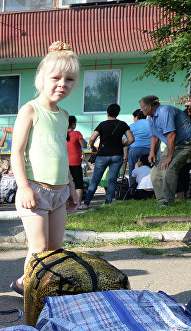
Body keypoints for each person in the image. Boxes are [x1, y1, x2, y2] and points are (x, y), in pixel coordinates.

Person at [9, 41, 79, 296]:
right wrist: (24, 187)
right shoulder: (30, 110)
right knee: (38, 248)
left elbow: (62, 155)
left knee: (55, 248)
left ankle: (27, 283)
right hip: (35, 190)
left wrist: (71, 188)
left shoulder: (63, 115)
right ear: (41, 78)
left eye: (69, 79)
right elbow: (16, 151)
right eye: (56, 77)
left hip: (59, 192)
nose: (62, 84)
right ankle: (32, 293)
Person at [140, 95, 191, 205]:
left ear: (149, 107)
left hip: (188, 142)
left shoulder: (165, 111)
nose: (141, 110)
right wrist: (152, 152)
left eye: (142, 107)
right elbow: (154, 136)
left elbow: (171, 134)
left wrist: (169, 157)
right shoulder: (151, 117)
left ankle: (168, 201)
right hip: (174, 144)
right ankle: (161, 202)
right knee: (155, 172)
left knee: (170, 167)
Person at [79, 103, 133, 209]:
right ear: (117, 113)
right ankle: (108, 203)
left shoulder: (102, 124)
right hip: (117, 155)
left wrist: (92, 147)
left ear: (107, 113)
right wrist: (123, 145)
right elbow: (131, 139)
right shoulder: (122, 124)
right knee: (112, 179)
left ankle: (86, 204)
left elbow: (92, 139)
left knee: (95, 179)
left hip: (103, 155)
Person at [66, 116, 87, 206]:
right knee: (78, 183)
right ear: (73, 123)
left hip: (64, 162)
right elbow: (84, 145)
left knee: (65, 183)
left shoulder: (62, 133)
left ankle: (66, 204)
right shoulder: (76, 133)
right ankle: (77, 204)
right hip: (75, 162)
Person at [127, 108, 151, 183]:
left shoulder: (131, 126)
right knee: (149, 169)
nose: (134, 119)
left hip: (134, 149)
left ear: (137, 117)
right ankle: (147, 185)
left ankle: (132, 187)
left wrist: (125, 155)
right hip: (148, 149)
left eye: (134, 117)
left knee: (133, 169)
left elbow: (126, 140)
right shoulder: (151, 124)